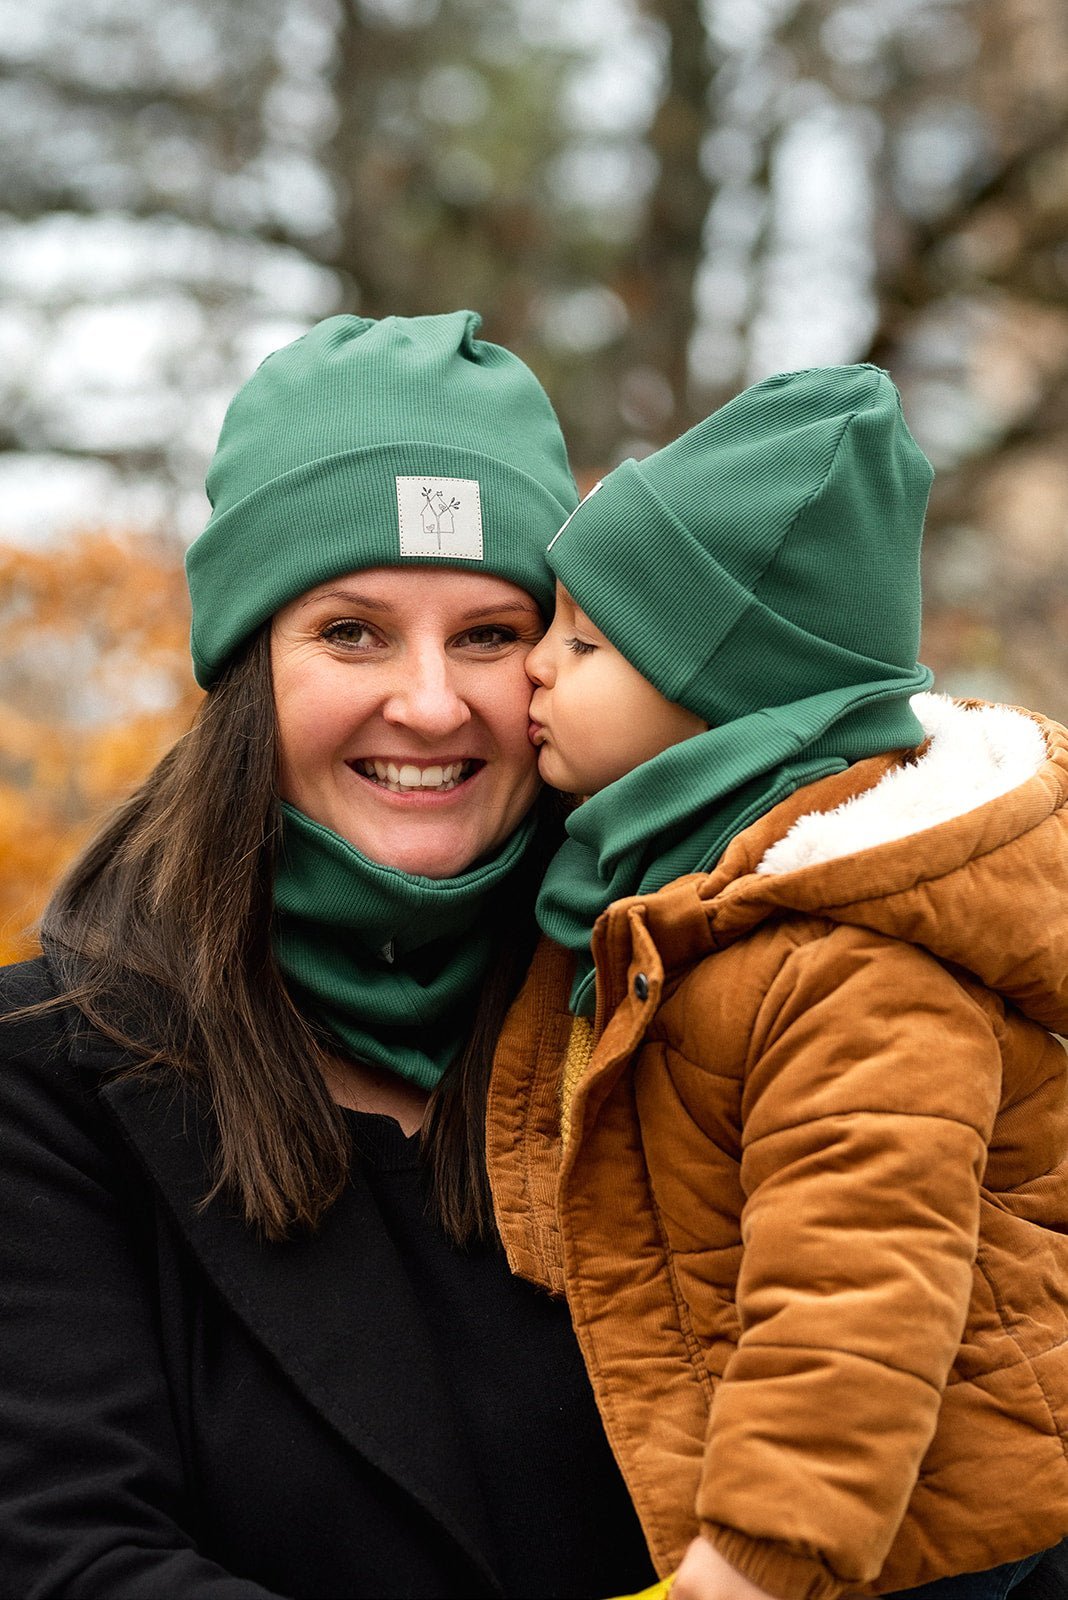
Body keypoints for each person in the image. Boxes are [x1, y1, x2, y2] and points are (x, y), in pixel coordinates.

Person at [0, 312, 660, 1598]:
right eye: (353, 631)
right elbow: (65, 1559)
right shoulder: (47, 1085)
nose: (431, 701)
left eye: (489, 633)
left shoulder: (671, 1019)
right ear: (247, 665)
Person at [486, 364, 1068, 1600]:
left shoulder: (849, 962)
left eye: (584, 640)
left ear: (722, 697)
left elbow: (861, 1284)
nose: (532, 664)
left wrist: (754, 1557)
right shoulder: (685, 899)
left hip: (950, 1543)